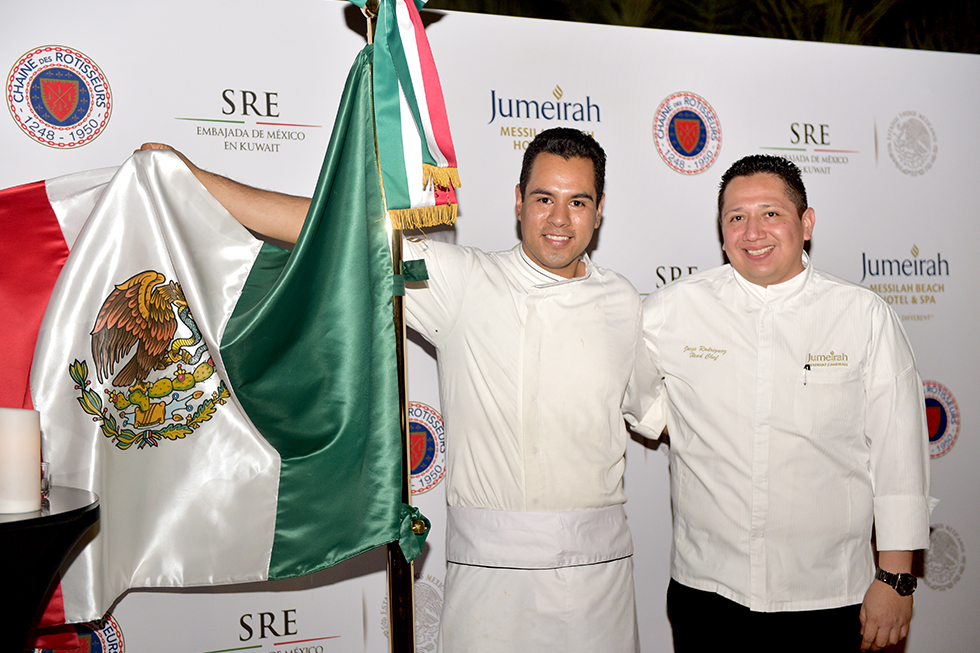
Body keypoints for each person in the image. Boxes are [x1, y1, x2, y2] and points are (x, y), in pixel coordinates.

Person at [140, 127, 645, 652]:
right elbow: (341, 231)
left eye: (577, 202)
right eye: (544, 199)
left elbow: (658, 409)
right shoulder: (467, 282)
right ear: (519, 202)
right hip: (492, 583)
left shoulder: (625, 303)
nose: (559, 219)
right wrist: (195, 180)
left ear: (599, 211)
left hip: (601, 582)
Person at [632, 154, 934, 652]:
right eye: (736, 217)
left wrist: (896, 580)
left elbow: (899, 456)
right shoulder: (672, 309)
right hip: (707, 592)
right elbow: (638, 400)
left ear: (806, 223)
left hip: (831, 597)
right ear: (722, 231)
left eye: (770, 213)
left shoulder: (863, 316)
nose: (753, 232)